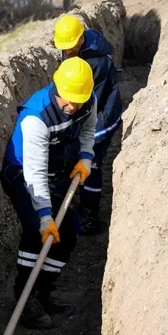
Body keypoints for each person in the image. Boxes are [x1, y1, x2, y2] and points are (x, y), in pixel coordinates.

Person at [0, 57, 98, 329]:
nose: (72, 106)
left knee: (69, 229)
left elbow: (89, 129)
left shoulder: (87, 99)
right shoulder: (36, 119)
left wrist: (86, 156)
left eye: (78, 101)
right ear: (57, 87)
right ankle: (25, 299)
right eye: (68, 100)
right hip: (23, 173)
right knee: (36, 231)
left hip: (54, 168)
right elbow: (35, 175)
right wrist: (44, 216)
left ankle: (43, 291)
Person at [53, 15, 123, 235]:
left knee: (91, 165)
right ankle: (69, 200)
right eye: (64, 47)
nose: (67, 51)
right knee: (74, 157)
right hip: (83, 111)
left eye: (71, 46)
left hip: (101, 116)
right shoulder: (73, 49)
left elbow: (91, 102)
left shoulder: (96, 62)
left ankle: (89, 215)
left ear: (81, 38)